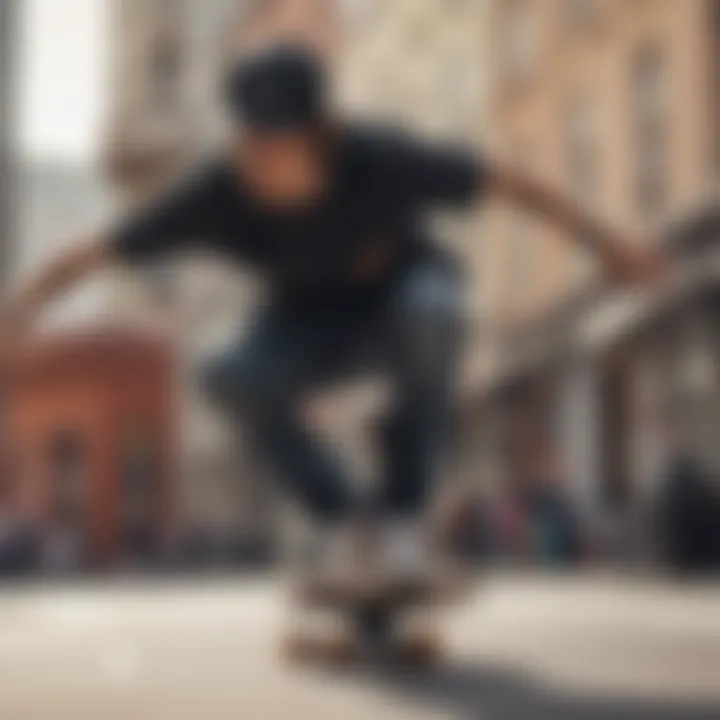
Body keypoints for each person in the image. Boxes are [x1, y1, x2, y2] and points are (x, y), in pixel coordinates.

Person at [0, 15, 668, 581]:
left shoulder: (377, 157)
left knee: (434, 309)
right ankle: (344, 518)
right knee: (223, 372)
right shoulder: (219, 191)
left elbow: (507, 181)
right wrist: (18, 312)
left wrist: (609, 244)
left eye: (276, 149)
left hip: (399, 306)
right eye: (249, 148)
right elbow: (96, 249)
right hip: (303, 330)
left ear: (321, 137)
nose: (258, 167)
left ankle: (405, 510)